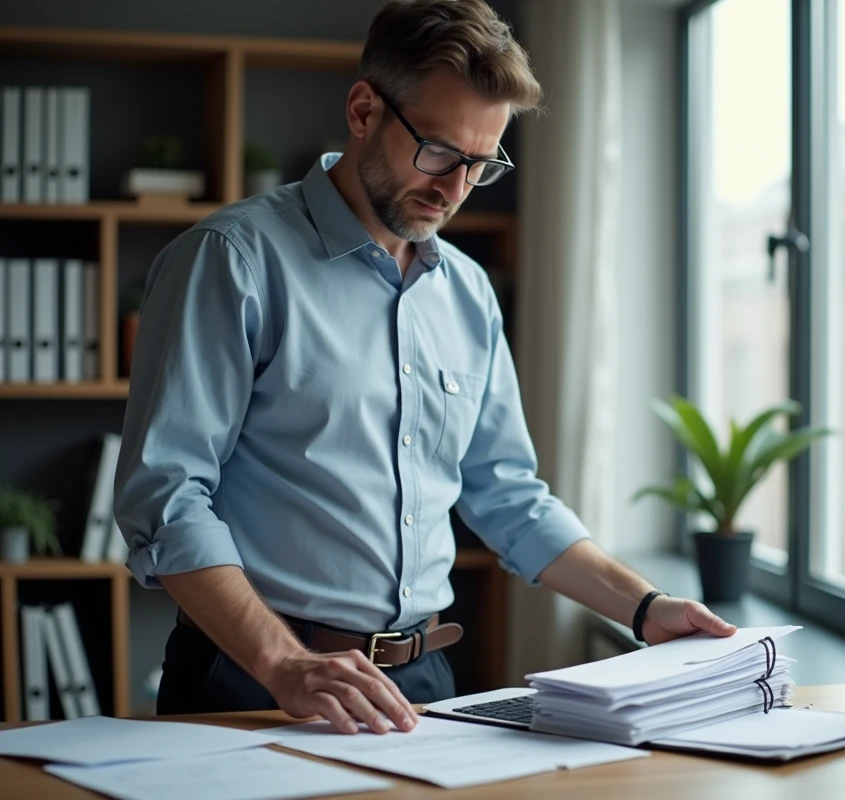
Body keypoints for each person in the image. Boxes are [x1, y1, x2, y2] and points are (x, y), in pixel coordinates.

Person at [113, 0, 735, 737]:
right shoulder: (232, 261)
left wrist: (644, 605)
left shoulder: (468, 292)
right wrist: (283, 664)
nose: (454, 187)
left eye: (480, 164)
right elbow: (168, 500)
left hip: (423, 685)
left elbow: (508, 494)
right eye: (438, 150)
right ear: (363, 109)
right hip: (252, 675)